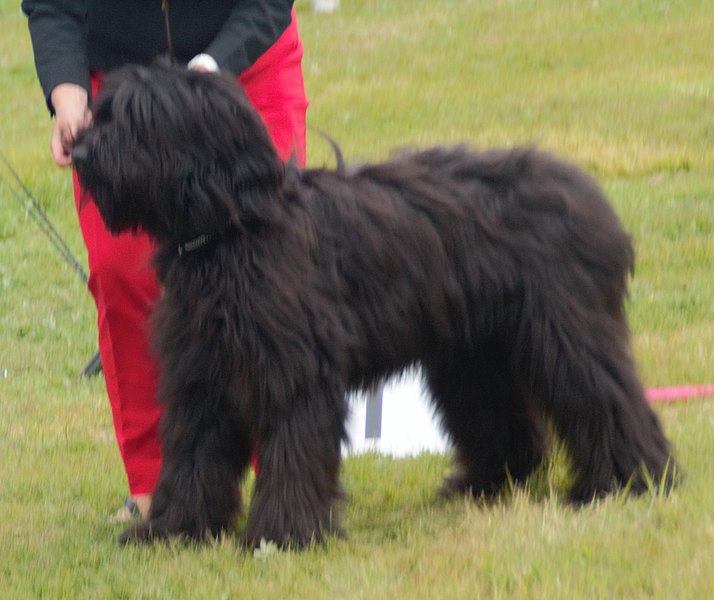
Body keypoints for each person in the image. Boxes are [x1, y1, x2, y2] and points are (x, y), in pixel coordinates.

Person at [22, 0, 308, 521]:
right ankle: (160, 484)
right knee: (122, 268)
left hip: (243, 67)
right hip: (125, 91)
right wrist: (68, 96)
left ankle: (286, 475)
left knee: (266, 272)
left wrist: (208, 69)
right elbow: (53, 5)